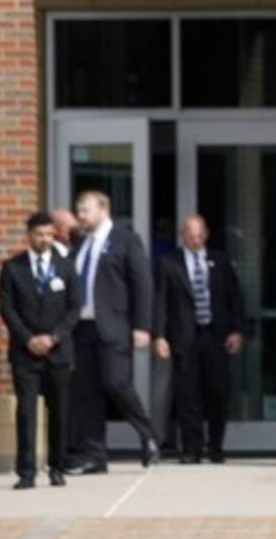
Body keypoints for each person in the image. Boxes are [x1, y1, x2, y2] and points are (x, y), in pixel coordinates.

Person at [66, 190, 160, 473]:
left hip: (114, 327)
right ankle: (96, 455)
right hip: (82, 328)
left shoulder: (126, 239)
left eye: (85, 210)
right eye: (79, 211)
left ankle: (149, 435)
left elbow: (142, 283)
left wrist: (143, 326)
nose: (80, 216)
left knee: (116, 383)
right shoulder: (80, 244)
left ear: (103, 209)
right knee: (87, 392)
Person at [0, 212, 82, 489]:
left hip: (58, 352)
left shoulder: (66, 266)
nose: (45, 239)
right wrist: (28, 339)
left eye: (49, 234)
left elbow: (74, 307)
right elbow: (7, 309)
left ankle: (57, 467)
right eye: (40, 235)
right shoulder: (12, 268)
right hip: (25, 353)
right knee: (26, 412)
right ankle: (27, 471)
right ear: (29, 235)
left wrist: (54, 337)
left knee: (59, 411)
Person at [153, 215, 245, 464]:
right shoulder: (168, 262)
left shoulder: (221, 260)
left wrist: (236, 330)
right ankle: (191, 449)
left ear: (206, 234)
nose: (195, 239)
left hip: (215, 336)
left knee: (218, 392)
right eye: (189, 235)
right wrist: (159, 336)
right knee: (188, 395)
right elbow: (160, 301)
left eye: (198, 234)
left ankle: (215, 446)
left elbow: (233, 297)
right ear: (182, 236)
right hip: (185, 337)